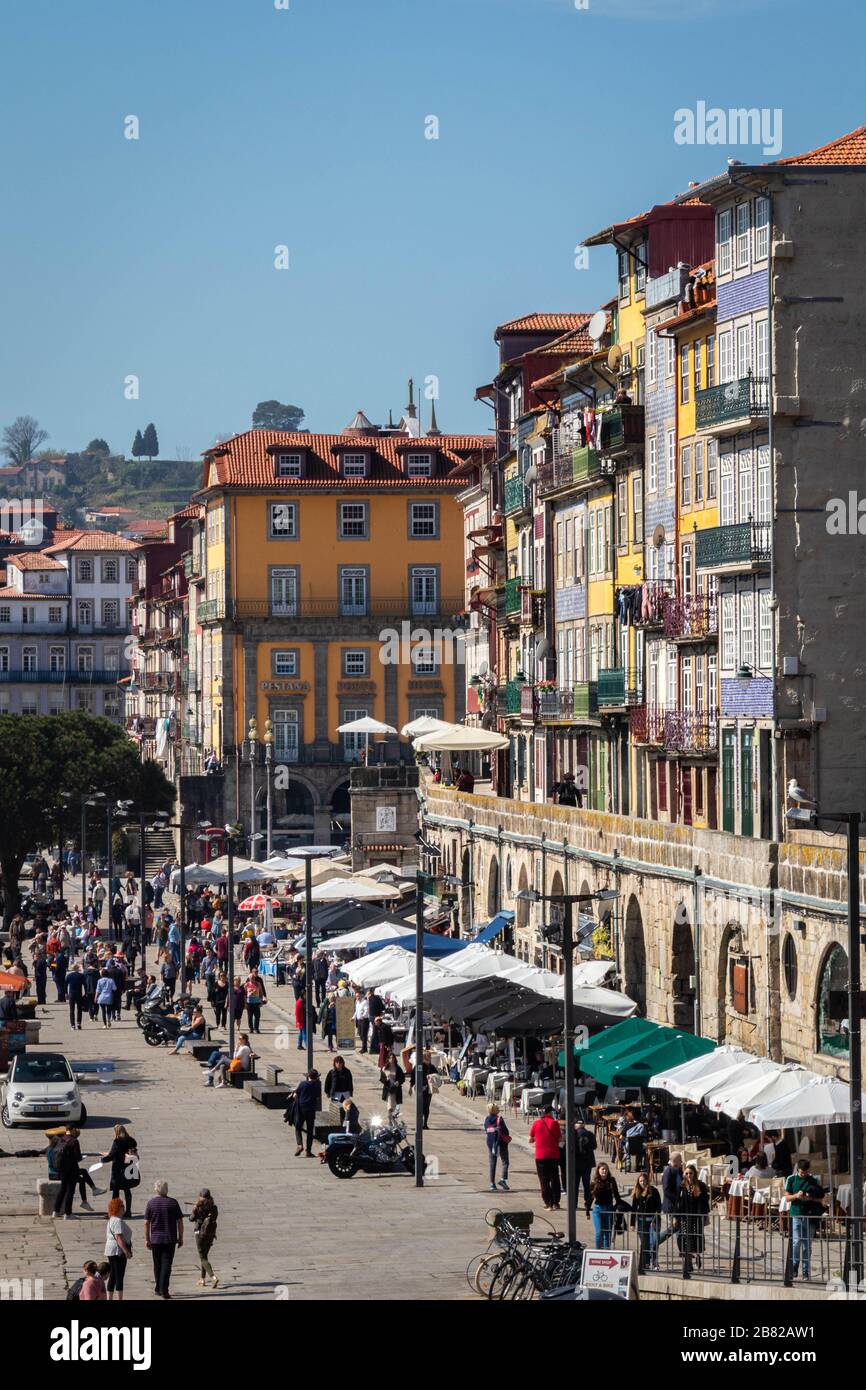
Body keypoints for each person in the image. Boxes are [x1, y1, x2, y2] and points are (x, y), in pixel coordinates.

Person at [785, 1158, 825, 1281]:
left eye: (806, 1172)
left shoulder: (813, 1180)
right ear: (798, 1170)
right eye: (802, 1172)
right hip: (796, 1214)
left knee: (807, 1245)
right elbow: (787, 1198)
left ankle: (806, 1271)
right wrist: (797, 1195)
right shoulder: (791, 1179)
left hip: (809, 1215)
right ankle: (795, 1265)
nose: (804, 1174)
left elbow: (821, 1199)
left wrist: (810, 1198)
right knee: (796, 1242)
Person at [144, 1180, 184, 1300]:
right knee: (167, 1264)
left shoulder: (151, 1203)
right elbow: (180, 1222)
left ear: (156, 1189)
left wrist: (147, 1239)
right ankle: (164, 1290)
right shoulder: (173, 1203)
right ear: (167, 1189)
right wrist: (180, 1237)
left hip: (155, 1239)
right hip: (169, 1239)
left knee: (157, 1265)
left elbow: (146, 1223)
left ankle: (158, 1288)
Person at [101, 1124, 140, 1219]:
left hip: (118, 1170)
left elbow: (112, 1155)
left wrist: (103, 1159)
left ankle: (114, 1213)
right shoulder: (131, 1140)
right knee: (127, 1189)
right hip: (129, 1168)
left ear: (117, 1132)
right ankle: (128, 1211)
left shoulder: (117, 1142)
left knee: (116, 1191)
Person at [528, 1105, 562, 1211]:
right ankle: (556, 1202)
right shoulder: (554, 1123)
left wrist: (537, 1138)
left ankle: (548, 1202)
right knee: (555, 1178)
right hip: (553, 1155)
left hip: (540, 1156)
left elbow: (530, 1139)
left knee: (544, 1180)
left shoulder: (536, 1123)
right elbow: (560, 1138)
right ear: (550, 1113)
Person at [677, 1164, 710, 1269]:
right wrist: (675, 1217)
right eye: (686, 1173)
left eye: (690, 1173)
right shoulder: (681, 1186)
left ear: (694, 1174)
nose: (688, 1175)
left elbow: (705, 1203)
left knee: (697, 1236)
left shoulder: (701, 1185)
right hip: (685, 1217)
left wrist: (706, 1217)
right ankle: (688, 1262)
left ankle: (697, 1255)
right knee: (686, 1237)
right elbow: (677, 1202)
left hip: (697, 1216)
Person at [630, 1171, 662, 1272]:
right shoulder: (637, 1193)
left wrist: (655, 1220)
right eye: (640, 1181)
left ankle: (654, 1262)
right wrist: (632, 1223)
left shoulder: (654, 1191)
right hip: (641, 1221)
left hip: (653, 1220)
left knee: (653, 1242)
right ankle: (645, 1263)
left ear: (647, 1181)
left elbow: (658, 1207)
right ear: (638, 1182)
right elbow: (634, 1209)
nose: (642, 1182)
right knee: (644, 1243)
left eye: (644, 1180)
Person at [104, 1197, 133, 1301]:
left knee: (113, 1276)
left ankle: (109, 1298)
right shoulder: (117, 1221)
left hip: (110, 1250)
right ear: (117, 1208)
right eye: (122, 1206)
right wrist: (126, 1251)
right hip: (117, 1251)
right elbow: (119, 1237)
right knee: (119, 1276)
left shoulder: (111, 1219)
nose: (123, 1207)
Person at [53, 1126, 84, 1219]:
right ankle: (68, 1213)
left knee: (62, 1189)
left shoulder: (61, 1139)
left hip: (62, 1168)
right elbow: (78, 1157)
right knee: (70, 1190)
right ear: (73, 1129)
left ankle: (56, 1211)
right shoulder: (74, 1141)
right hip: (71, 1169)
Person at [289, 1069, 321, 1157]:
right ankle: (308, 1151)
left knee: (298, 1127)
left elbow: (296, 1093)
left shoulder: (303, 1084)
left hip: (301, 1109)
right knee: (310, 1131)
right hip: (311, 1109)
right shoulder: (318, 1085)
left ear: (308, 1076)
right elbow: (318, 1097)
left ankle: (300, 1145)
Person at [192, 1189, 219, 1289]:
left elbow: (191, 1219)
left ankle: (213, 1277)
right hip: (210, 1234)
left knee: (203, 1257)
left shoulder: (198, 1208)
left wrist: (194, 1210)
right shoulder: (214, 1208)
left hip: (200, 1234)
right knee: (204, 1256)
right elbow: (214, 1218)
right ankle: (202, 1279)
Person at [590, 1162, 621, 1249]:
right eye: (602, 1169)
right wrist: (587, 1210)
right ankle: (597, 1251)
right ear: (598, 1170)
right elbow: (590, 1197)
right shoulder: (594, 1182)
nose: (604, 1171)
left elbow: (616, 1194)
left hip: (609, 1208)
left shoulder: (611, 1181)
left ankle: (606, 1252)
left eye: (606, 1169)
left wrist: (618, 1204)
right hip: (598, 1209)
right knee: (599, 1232)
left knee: (607, 1232)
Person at [409, 1049, 439, 1129]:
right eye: (428, 1056)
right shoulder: (419, 1066)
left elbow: (437, 1075)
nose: (430, 1057)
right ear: (424, 1057)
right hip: (420, 1089)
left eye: (430, 1056)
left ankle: (425, 1123)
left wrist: (433, 1078)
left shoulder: (431, 1066)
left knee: (426, 1106)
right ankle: (420, 1123)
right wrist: (410, 1087)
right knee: (420, 1106)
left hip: (429, 1089)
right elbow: (413, 1077)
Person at [484, 1103, 511, 1192]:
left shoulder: (487, 1119)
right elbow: (506, 1131)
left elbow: (486, 1130)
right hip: (501, 1142)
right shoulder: (499, 1119)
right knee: (505, 1161)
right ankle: (503, 1179)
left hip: (491, 1142)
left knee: (492, 1163)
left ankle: (492, 1184)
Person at [572, 1119, 596, 1216]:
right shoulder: (589, 1134)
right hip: (587, 1162)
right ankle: (587, 1203)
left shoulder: (573, 1134)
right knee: (587, 1184)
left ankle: (574, 1204)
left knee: (575, 1184)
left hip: (576, 1162)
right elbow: (594, 1146)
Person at [379, 1051, 404, 1116]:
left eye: (393, 1058)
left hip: (396, 1088)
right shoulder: (385, 1068)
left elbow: (402, 1078)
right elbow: (382, 1079)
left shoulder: (398, 1068)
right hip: (388, 1088)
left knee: (394, 1104)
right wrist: (386, 1080)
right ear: (388, 1059)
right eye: (390, 1058)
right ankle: (390, 1118)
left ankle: (391, 1117)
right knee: (390, 1104)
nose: (391, 1059)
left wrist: (398, 1082)